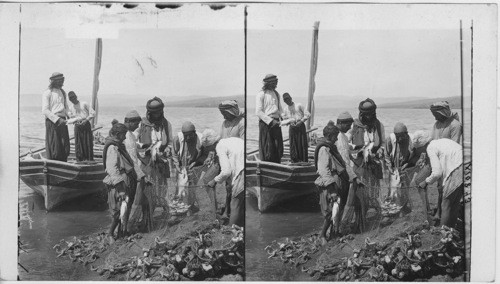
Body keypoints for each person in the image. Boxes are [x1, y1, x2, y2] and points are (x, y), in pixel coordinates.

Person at [413, 131, 463, 228]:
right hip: (467, 166)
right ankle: (450, 232)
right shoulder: (439, 142)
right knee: (454, 204)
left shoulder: (430, 148)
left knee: (446, 205)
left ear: (421, 146)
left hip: (457, 169)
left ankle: (442, 233)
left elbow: (437, 173)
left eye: (417, 149)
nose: (418, 152)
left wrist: (425, 182)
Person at [314, 121, 349, 243]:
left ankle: (334, 232)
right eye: (335, 137)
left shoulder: (331, 148)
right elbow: (324, 170)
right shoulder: (324, 149)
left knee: (337, 210)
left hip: (335, 185)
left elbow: (342, 164)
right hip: (328, 187)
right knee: (329, 213)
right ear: (329, 136)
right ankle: (322, 235)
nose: (336, 140)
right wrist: (332, 190)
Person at [103, 120, 137, 243]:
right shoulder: (112, 148)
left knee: (125, 208)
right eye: (123, 135)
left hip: (124, 182)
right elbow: (113, 169)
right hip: (117, 185)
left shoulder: (118, 145)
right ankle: (110, 234)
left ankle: (122, 231)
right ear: (117, 134)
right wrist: (121, 189)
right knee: (117, 212)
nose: (124, 138)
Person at [350, 98, 385, 219]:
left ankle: (373, 215)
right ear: (362, 114)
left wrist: (379, 151)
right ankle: (360, 217)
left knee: (373, 192)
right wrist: (358, 150)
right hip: (358, 164)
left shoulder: (379, 125)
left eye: (371, 114)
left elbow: (383, 144)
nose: (369, 117)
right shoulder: (354, 126)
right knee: (360, 192)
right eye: (366, 115)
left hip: (373, 164)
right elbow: (347, 145)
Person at [136, 97, 173, 210]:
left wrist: (167, 149)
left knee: (161, 188)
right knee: (147, 188)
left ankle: (161, 209)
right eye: (154, 113)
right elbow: (135, 143)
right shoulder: (141, 124)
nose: (157, 115)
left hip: (161, 162)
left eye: (159, 112)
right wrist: (145, 150)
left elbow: (170, 142)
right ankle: (147, 213)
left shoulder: (166, 124)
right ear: (149, 112)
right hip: (145, 162)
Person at [429, 100, 461, 220]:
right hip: (438, 159)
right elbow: (433, 141)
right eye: (433, 114)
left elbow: (454, 146)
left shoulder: (455, 125)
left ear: (443, 112)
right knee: (439, 188)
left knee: (445, 189)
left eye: (436, 114)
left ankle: (441, 213)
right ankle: (439, 210)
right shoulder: (436, 124)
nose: (434, 117)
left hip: (450, 160)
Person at [206, 135, 245, 227]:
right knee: (241, 203)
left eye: (208, 148)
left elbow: (226, 172)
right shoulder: (230, 140)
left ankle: (231, 231)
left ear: (211, 145)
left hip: (241, 171)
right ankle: (239, 226)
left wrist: (214, 180)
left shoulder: (219, 147)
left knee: (235, 204)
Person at [123, 110, 151, 233]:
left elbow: (134, 150)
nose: (137, 127)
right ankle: (127, 227)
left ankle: (139, 223)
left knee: (138, 200)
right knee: (130, 201)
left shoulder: (129, 134)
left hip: (130, 172)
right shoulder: (127, 136)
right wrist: (141, 175)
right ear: (128, 122)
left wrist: (141, 147)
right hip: (129, 174)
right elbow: (132, 159)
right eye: (135, 124)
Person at [335, 112, 363, 233]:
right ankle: (341, 227)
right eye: (347, 125)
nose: (349, 128)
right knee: (344, 202)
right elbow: (344, 161)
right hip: (341, 175)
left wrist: (355, 148)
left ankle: (342, 226)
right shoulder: (340, 137)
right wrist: (354, 177)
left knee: (344, 203)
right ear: (340, 123)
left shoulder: (341, 135)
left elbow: (347, 148)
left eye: (351, 125)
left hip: (341, 173)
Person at [172, 121, 203, 213]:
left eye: (190, 135)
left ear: (195, 132)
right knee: (180, 187)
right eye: (186, 135)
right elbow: (174, 153)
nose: (188, 138)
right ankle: (178, 208)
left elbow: (204, 154)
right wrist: (177, 164)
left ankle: (191, 206)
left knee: (193, 186)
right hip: (182, 165)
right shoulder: (177, 139)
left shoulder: (200, 139)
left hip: (195, 165)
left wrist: (197, 162)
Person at [384, 122, 413, 214]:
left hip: (406, 167)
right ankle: (392, 209)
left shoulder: (411, 140)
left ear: (406, 134)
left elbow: (414, 155)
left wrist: (408, 164)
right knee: (393, 189)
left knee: (405, 188)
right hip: (393, 168)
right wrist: (389, 166)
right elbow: (386, 154)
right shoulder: (390, 139)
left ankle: (403, 208)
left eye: (402, 136)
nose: (399, 139)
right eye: (397, 136)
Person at [42, 72, 70, 162]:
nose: (61, 82)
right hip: (52, 122)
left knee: (64, 145)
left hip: (63, 121)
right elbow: (45, 110)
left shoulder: (63, 92)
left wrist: (73, 118)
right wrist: (57, 120)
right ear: (54, 81)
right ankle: (53, 164)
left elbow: (66, 108)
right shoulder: (47, 92)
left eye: (62, 80)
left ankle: (63, 164)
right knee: (54, 146)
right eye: (59, 81)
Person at [256, 74, 283, 163]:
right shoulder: (261, 94)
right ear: (268, 83)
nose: (276, 85)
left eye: (276, 82)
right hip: (266, 123)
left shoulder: (276, 94)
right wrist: (271, 121)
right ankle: (267, 166)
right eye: (274, 83)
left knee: (278, 147)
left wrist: (286, 118)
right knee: (267, 147)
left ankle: (277, 164)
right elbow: (259, 112)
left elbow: (280, 109)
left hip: (276, 122)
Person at [280, 92, 311, 163]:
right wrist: (288, 122)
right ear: (284, 101)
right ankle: (294, 160)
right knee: (293, 144)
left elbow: (308, 114)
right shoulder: (285, 109)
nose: (287, 101)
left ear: (291, 98)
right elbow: (284, 118)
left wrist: (302, 121)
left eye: (288, 99)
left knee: (302, 143)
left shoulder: (298, 105)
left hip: (300, 125)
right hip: (292, 127)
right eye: (285, 100)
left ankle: (303, 160)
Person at [67, 91, 95, 162]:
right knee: (78, 143)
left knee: (87, 142)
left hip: (85, 124)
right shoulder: (71, 108)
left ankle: (89, 159)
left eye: (73, 97)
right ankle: (80, 160)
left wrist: (86, 120)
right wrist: (74, 121)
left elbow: (92, 113)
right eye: (71, 99)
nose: (73, 99)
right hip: (77, 126)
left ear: (76, 97)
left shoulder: (84, 104)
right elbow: (70, 118)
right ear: (69, 100)